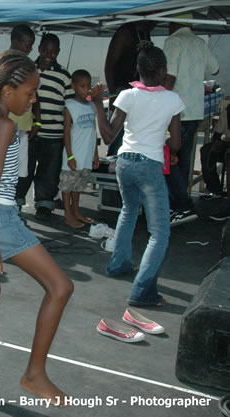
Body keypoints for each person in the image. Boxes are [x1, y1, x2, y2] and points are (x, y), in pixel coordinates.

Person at [0, 50, 73, 403]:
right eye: (30, 92)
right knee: (60, 287)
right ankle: (34, 375)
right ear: (7, 90)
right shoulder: (5, 125)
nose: (33, 99)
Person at [93, 41, 184, 307]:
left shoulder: (127, 95)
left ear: (138, 70)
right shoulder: (172, 100)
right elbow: (176, 144)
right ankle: (142, 292)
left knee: (128, 212)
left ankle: (119, 265)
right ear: (163, 71)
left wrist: (99, 104)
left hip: (125, 163)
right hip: (150, 166)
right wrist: (165, 140)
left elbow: (109, 134)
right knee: (159, 233)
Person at [163, 13, 220, 226]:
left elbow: (169, 78)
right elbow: (215, 68)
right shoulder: (199, 42)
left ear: (174, 22)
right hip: (195, 111)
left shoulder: (173, 41)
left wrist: (160, 104)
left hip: (176, 112)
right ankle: (180, 205)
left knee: (168, 161)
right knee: (183, 163)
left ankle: (182, 205)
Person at [16, 33, 73, 221]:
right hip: (29, 132)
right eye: (45, 50)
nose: (49, 55)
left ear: (58, 53)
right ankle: (16, 202)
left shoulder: (64, 76)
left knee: (49, 172)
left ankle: (44, 204)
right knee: (24, 170)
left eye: (53, 52)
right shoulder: (28, 70)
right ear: (39, 49)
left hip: (54, 134)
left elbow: (70, 106)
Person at [104, 21, 154, 156]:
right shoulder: (125, 33)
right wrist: (113, 94)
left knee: (132, 135)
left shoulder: (145, 32)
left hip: (139, 91)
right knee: (116, 135)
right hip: (122, 90)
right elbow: (109, 65)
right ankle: (112, 165)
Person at [60, 70, 99, 229]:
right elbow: (67, 133)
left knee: (78, 186)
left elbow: (93, 131)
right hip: (73, 156)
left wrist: (95, 154)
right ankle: (67, 214)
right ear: (73, 86)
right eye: (82, 86)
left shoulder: (91, 106)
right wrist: (70, 156)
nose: (86, 89)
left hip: (86, 156)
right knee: (68, 186)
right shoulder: (70, 106)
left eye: (88, 86)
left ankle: (76, 212)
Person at [7, 24, 39, 211]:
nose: (30, 49)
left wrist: (38, 120)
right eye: (28, 44)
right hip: (6, 125)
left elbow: (36, 95)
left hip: (24, 128)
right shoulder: (4, 63)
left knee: (20, 173)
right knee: (5, 172)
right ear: (16, 41)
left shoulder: (29, 65)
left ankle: (14, 209)